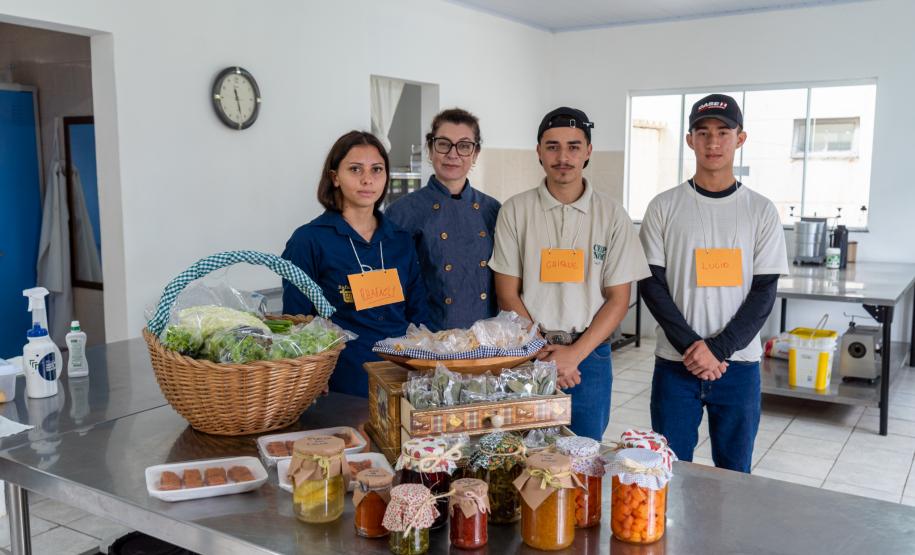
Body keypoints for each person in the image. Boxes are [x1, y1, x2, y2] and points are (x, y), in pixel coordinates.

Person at [638, 94, 788, 472]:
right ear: (690, 140)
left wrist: (718, 349)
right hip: (676, 365)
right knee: (669, 472)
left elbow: (764, 292)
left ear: (741, 138)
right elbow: (652, 286)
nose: (713, 142)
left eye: (724, 132)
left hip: (737, 367)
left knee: (735, 474)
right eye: (703, 133)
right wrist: (693, 347)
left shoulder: (761, 210)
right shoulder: (664, 206)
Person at [489, 107, 650, 441]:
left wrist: (573, 355)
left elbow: (619, 299)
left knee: (583, 456)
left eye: (574, 146)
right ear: (539, 151)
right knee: (522, 457)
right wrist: (543, 353)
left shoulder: (612, 215)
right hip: (528, 353)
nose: (563, 156)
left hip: (589, 357)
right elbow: (507, 293)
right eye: (552, 146)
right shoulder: (515, 211)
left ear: (588, 151)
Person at [282, 131, 429, 397]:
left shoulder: (400, 240)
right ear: (335, 177)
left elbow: (418, 313)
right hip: (340, 383)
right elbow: (297, 321)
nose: (367, 179)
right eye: (355, 169)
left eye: (377, 169)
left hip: (402, 379)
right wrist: (309, 376)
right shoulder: (308, 241)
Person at [385, 108, 500, 331]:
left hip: (486, 339)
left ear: (475, 154)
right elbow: (393, 288)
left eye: (464, 146)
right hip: (428, 338)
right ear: (430, 148)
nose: (453, 154)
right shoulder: (402, 212)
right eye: (444, 143)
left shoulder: (493, 209)